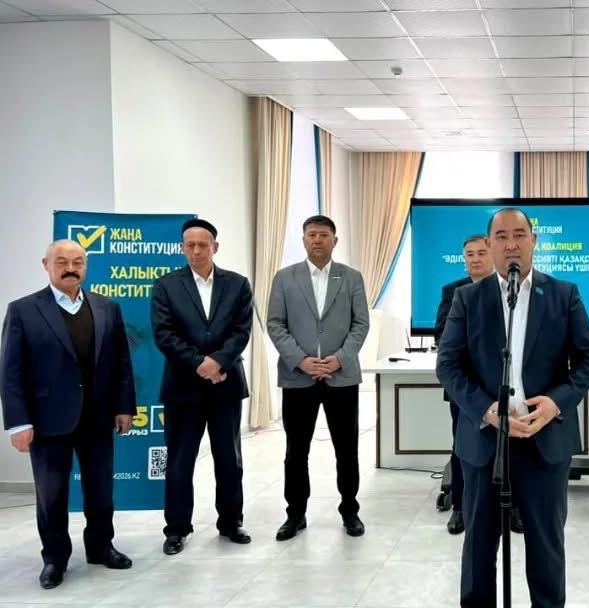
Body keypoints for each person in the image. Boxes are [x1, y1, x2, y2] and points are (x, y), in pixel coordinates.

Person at [436, 208, 589, 608]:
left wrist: (556, 402)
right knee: (479, 547)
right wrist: (485, 409)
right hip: (485, 441)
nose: (511, 244)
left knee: (546, 546)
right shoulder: (467, 298)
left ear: (534, 241)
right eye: (501, 236)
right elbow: (448, 365)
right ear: (489, 244)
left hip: (545, 438)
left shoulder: (563, 294)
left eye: (519, 235)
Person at [0, 239, 136, 589]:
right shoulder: (23, 310)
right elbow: (11, 371)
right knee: (52, 496)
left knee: (101, 491)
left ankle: (101, 547)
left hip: (97, 418)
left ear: (86, 266)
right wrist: (18, 422)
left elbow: (121, 362)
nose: (70, 268)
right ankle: (54, 559)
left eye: (78, 261)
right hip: (47, 421)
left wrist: (124, 407)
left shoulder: (107, 308)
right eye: (61, 261)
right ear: (46, 264)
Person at [151, 218, 253, 555]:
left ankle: (231, 522)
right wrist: (199, 363)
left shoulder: (237, 284)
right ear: (182, 248)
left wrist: (218, 362)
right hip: (183, 387)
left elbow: (241, 330)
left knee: (229, 460)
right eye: (190, 245)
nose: (196, 251)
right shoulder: (166, 285)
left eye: (202, 245)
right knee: (180, 462)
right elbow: (164, 334)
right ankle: (176, 529)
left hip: (225, 385)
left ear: (215, 247)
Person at [266, 215, 369, 541]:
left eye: (324, 235)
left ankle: (350, 509)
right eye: (311, 235)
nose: (317, 240)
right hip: (299, 377)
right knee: (296, 451)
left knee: (346, 448)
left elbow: (361, 324)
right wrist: (301, 360)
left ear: (334, 240)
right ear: (304, 240)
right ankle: (295, 513)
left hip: (342, 376)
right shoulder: (285, 278)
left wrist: (339, 359)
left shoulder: (351, 277)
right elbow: (275, 324)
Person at [433, 234, 524, 537]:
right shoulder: (453, 292)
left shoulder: (509, 289)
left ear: (492, 255)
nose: (475, 259)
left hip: (505, 384)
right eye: (469, 254)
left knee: (511, 447)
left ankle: (513, 507)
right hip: (466, 389)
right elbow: (443, 337)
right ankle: (460, 507)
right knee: (464, 448)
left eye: (480, 253)